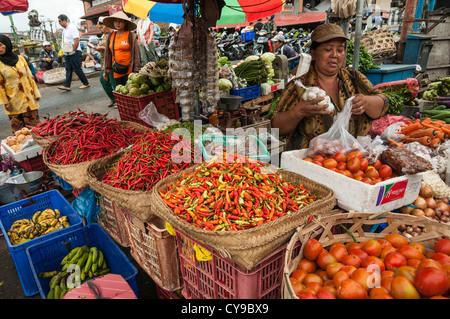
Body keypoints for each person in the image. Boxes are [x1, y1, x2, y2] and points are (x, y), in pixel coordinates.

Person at [271, 23, 389, 151]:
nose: (335, 55)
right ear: (314, 54)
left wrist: (366, 102)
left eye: (340, 50)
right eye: (328, 49)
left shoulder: (354, 79)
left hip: (351, 162)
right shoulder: (299, 86)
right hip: (309, 162)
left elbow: (384, 103)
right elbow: (276, 128)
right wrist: (298, 112)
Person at [0, 34, 41, 134]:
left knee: (36, 130)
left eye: (0, 45)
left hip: (29, 100)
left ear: (7, 44)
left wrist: (36, 93)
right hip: (13, 102)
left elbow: (30, 77)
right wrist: (5, 102)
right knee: (19, 134)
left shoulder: (20, 59)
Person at [102, 11, 140, 87]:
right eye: (115, 21)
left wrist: (136, 70)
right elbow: (107, 55)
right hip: (116, 71)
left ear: (125, 23)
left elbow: (137, 54)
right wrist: (105, 70)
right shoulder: (111, 36)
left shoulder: (130, 36)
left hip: (129, 71)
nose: (117, 23)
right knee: (120, 93)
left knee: (131, 92)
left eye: (120, 21)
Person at [57, 14, 90, 91]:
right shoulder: (64, 30)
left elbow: (76, 40)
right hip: (67, 52)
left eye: (60, 21)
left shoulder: (72, 28)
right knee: (68, 68)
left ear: (64, 20)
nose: (59, 23)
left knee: (77, 68)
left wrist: (74, 51)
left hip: (74, 52)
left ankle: (86, 83)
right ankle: (67, 85)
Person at [96, 16, 116, 108]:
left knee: (114, 82)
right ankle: (113, 99)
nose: (101, 30)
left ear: (107, 25)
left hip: (113, 63)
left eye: (102, 27)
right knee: (103, 80)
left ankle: (120, 101)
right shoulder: (103, 36)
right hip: (104, 63)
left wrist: (104, 48)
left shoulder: (114, 34)